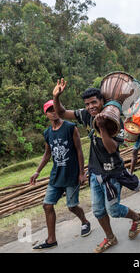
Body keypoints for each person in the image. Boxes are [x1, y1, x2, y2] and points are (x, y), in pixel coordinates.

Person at [52, 80, 140, 253]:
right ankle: (110, 238)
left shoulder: (114, 119)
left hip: (112, 173)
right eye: (87, 104)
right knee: (98, 210)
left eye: (94, 102)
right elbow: (62, 113)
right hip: (95, 172)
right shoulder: (86, 115)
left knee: (114, 210)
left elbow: (111, 148)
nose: (90, 107)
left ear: (102, 101)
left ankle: (137, 217)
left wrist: (102, 128)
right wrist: (56, 97)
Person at [30, 100, 91, 250]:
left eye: (54, 108)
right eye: (49, 110)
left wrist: (81, 173)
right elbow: (47, 154)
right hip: (56, 175)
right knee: (47, 205)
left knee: (71, 207)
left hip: (71, 174)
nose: (53, 111)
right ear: (46, 114)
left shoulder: (70, 127)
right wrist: (37, 171)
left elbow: (79, 150)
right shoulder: (47, 133)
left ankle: (85, 222)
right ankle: (51, 239)